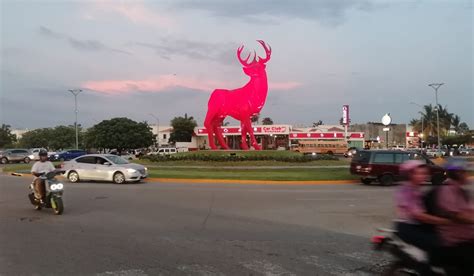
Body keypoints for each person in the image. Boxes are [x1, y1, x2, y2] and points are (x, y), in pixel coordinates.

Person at [394, 160, 452, 275]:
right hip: (408, 228)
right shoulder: (406, 190)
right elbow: (419, 215)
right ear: (409, 175)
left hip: (418, 226)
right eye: (418, 173)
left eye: (424, 173)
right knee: (438, 243)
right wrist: (445, 221)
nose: (423, 176)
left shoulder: (416, 189)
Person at [434, 158, 474, 276]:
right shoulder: (447, 190)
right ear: (458, 173)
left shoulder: (460, 190)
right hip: (456, 242)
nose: (467, 174)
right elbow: (457, 216)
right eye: (465, 172)